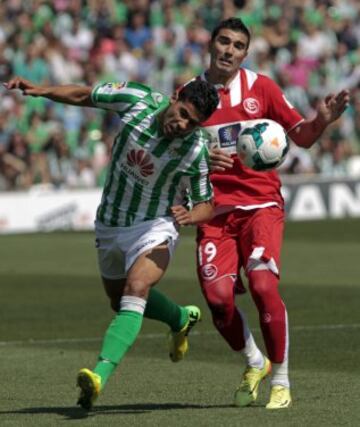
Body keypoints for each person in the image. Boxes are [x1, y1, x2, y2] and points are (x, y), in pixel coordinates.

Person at [5, 76, 219, 410]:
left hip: (154, 225)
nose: (182, 125)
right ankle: (179, 318)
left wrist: (192, 215)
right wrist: (42, 90)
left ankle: (98, 375)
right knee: (118, 300)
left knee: (136, 288)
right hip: (110, 221)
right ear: (175, 97)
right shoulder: (136, 99)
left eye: (193, 123)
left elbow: (207, 203)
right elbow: (84, 94)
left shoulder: (195, 150)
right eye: (182, 113)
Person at [192, 18, 349, 409]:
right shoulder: (190, 94)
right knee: (218, 302)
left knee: (263, 287)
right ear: (211, 45)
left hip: (261, 205)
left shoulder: (261, 88)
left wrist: (322, 122)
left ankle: (281, 379)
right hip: (213, 213)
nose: (229, 50)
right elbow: (175, 154)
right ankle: (254, 361)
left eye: (238, 45)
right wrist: (197, 155)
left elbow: (303, 138)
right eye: (224, 42)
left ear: (246, 53)